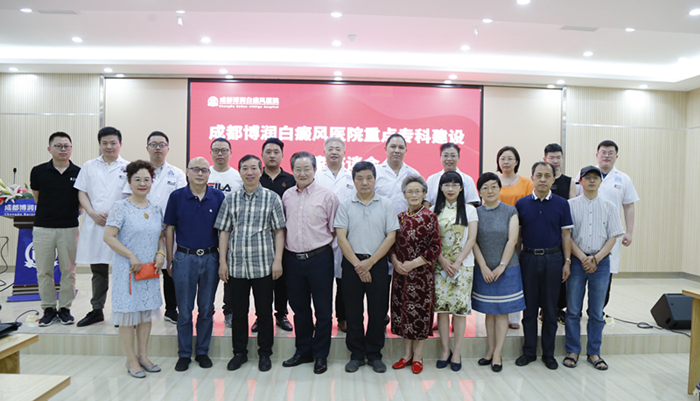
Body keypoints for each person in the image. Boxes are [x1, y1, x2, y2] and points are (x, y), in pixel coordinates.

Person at [216, 155, 286, 372]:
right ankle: (239, 353)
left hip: (264, 265)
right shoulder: (230, 199)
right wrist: (222, 262)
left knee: (264, 313)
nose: (249, 172)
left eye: (254, 168)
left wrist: (278, 260)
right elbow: (224, 231)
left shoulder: (272, 198)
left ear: (260, 171)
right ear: (239, 172)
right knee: (238, 313)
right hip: (236, 266)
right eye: (245, 168)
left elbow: (279, 231)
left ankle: (265, 353)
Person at [335, 161, 399, 374]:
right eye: (360, 178)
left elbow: (391, 236)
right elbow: (341, 238)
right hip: (352, 264)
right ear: (353, 181)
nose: (364, 182)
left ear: (374, 180)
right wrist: (358, 265)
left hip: (378, 264)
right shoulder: (345, 205)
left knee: (378, 312)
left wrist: (370, 263)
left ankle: (374, 354)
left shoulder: (386, 204)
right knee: (353, 312)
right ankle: (356, 355)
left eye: (369, 178)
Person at [103, 160, 165, 379]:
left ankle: (143, 356)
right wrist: (130, 255)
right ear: (129, 182)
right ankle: (131, 360)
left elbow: (161, 236)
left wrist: (161, 253)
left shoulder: (155, 208)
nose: (142, 183)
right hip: (128, 270)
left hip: (149, 270)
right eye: (137, 179)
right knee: (128, 315)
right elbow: (108, 236)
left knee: (145, 314)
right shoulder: (120, 207)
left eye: (147, 179)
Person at [281, 152, 339, 375]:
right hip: (293, 260)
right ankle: (303, 351)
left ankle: (321, 355)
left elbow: (335, 230)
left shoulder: (328, 196)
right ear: (292, 171)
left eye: (307, 168)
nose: (302, 173)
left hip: (320, 259)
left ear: (315, 170)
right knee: (300, 309)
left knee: (323, 310)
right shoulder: (287, 196)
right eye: (298, 169)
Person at [164, 157, 225, 372]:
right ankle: (183, 354)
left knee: (207, 308)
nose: (200, 173)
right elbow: (169, 229)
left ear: (209, 174)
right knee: (184, 310)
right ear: (187, 171)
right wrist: (170, 258)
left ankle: (202, 351)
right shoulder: (177, 196)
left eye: (204, 170)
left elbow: (223, 230)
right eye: (195, 169)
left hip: (210, 257)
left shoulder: (218, 196)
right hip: (184, 258)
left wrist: (222, 260)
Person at [563, 166, 624, 371]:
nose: (591, 181)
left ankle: (594, 352)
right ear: (580, 181)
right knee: (573, 310)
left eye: (595, 178)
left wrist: (596, 258)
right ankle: (572, 351)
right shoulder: (570, 205)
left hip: (601, 262)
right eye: (587, 177)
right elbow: (567, 236)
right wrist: (582, 257)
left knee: (597, 311)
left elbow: (613, 236)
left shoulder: (609, 206)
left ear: (600, 182)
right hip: (577, 261)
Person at [123, 131, 186, 324]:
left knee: (169, 269)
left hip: (169, 230)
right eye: (154, 144)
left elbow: (183, 200)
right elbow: (127, 198)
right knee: (140, 268)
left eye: (161, 144)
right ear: (147, 148)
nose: (158, 148)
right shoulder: (137, 171)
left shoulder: (177, 173)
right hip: (141, 229)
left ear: (168, 148)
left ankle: (171, 309)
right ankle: (133, 308)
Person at [515, 162, 573, 370]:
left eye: (547, 176)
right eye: (538, 175)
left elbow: (566, 235)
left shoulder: (562, 204)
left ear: (553, 179)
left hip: (553, 259)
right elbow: (518, 237)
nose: (542, 179)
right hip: (528, 259)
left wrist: (567, 261)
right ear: (532, 177)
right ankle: (529, 352)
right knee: (529, 309)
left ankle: (548, 354)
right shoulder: (521, 204)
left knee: (550, 310)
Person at [74, 127, 129, 327]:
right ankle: (97, 310)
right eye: (105, 143)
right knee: (98, 270)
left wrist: (115, 216)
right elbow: (82, 192)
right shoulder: (89, 166)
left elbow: (131, 195)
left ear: (120, 144)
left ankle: (121, 311)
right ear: (99, 144)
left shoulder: (128, 167)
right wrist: (91, 213)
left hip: (120, 227)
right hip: (95, 223)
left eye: (113, 142)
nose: (109, 146)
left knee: (122, 270)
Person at [472, 172, 526, 373]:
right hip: (484, 270)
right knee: (489, 312)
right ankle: (489, 350)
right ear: (479, 191)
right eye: (485, 187)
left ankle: (497, 353)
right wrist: (483, 266)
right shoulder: (476, 213)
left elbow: (513, 240)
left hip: (507, 270)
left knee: (502, 313)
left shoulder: (510, 211)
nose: (490, 191)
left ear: (499, 188)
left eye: (494, 186)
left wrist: (502, 266)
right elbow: (473, 241)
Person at [389, 175, 441, 374]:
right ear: (404, 194)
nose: (413, 194)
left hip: (421, 277)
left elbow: (435, 247)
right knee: (403, 314)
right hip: (401, 275)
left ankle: (418, 356)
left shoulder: (430, 217)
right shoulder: (399, 217)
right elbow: (391, 246)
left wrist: (413, 264)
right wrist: (396, 262)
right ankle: (406, 355)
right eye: (409, 191)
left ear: (424, 193)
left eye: (417, 191)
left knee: (419, 315)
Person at [31, 132, 81, 326]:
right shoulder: (38, 171)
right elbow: (38, 198)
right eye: (58, 146)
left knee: (69, 270)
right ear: (49, 149)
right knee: (44, 271)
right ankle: (49, 308)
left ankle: (65, 309)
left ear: (71, 149)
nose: (63, 149)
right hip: (43, 228)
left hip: (69, 228)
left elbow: (81, 201)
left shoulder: (79, 172)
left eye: (66, 146)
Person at [431, 171, 478, 372]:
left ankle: (457, 352)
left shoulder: (470, 210)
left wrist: (457, 262)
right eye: (446, 185)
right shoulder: (434, 210)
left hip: (463, 267)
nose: (450, 189)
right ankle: (445, 350)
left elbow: (472, 238)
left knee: (459, 311)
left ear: (461, 188)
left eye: (454, 185)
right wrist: (442, 260)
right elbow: (432, 240)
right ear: (440, 188)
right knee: (442, 310)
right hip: (439, 267)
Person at [315, 137, 355, 333]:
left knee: (343, 280)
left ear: (344, 153)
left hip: (345, 236)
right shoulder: (316, 176)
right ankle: (322, 318)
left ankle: (343, 317)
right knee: (321, 282)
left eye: (338, 149)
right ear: (324, 152)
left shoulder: (352, 177)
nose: (334, 152)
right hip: (321, 235)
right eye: (330, 148)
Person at [593, 140, 639, 309]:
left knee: (607, 273)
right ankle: (574, 311)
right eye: (603, 152)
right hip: (586, 231)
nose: (607, 156)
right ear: (597, 155)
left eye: (610, 153)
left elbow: (629, 206)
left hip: (611, 234)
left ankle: (598, 311)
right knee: (581, 273)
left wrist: (629, 232)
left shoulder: (623, 179)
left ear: (616, 156)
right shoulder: (585, 174)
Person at [259, 138, 296, 332]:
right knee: (262, 281)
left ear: (282, 155)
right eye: (268, 152)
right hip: (259, 238)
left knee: (282, 280)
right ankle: (261, 316)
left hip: (285, 238)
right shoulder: (256, 177)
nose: (272, 155)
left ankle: (281, 314)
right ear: (262, 155)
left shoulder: (291, 180)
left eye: (276, 152)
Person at [495, 145, 533, 330]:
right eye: (503, 158)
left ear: (517, 161)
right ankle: (497, 311)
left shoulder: (526, 183)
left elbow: (530, 207)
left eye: (510, 158)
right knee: (498, 269)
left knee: (515, 271)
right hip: (496, 232)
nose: (506, 162)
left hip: (520, 233)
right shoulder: (494, 181)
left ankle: (514, 316)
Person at [208, 138, 243, 328]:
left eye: (224, 150)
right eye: (216, 150)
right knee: (208, 276)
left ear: (231, 152)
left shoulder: (238, 177)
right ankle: (207, 311)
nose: (220, 153)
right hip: (206, 232)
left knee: (230, 276)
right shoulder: (205, 173)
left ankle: (229, 311)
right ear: (211, 153)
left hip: (231, 234)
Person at [544, 143, 577, 325]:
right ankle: (544, 309)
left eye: (558, 157)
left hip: (563, 233)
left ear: (562, 159)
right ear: (545, 159)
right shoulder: (542, 179)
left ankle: (560, 309)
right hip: (545, 232)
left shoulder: (569, 181)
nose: (555, 161)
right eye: (551, 157)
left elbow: (572, 207)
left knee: (563, 274)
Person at [424, 143, 480, 207]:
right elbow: (426, 201)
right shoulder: (431, 179)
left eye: (453, 156)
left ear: (459, 157)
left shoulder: (467, 179)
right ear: (440, 157)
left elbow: (472, 202)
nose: (449, 159)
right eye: (445, 155)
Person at [375, 134, 419, 215]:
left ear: (405, 151)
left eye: (401, 147)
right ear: (386, 149)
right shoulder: (375, 173)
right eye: (393, 147)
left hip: (408, 220)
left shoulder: (414, 174)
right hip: (381, 220)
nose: (397, 151)